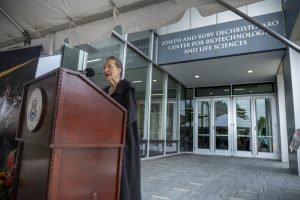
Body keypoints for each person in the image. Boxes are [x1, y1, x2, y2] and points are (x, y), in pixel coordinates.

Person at [102, 56, 142, 200]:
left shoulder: (127, 88)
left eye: (109, 66)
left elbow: (130, 116)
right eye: (104, 67)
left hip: (124, 141)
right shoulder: (104, 91)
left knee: (124, 179)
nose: (106, 70)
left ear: (119, 69)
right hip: (107, 141)